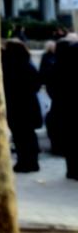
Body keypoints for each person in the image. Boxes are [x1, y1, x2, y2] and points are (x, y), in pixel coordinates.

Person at [2, 39, 42, 173]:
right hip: (29, 104)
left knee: (20, 135)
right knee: (29, 134)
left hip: (15, 105)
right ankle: (32, 162)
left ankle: (23, 162)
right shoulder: (28, 64)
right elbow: (37, 84)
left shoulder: (8, 66)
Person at [45, 33, 78, 179]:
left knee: (70, 140)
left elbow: (51, 87)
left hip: (62, 107)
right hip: (68, 107)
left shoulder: (56, 67)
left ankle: (72, 170)